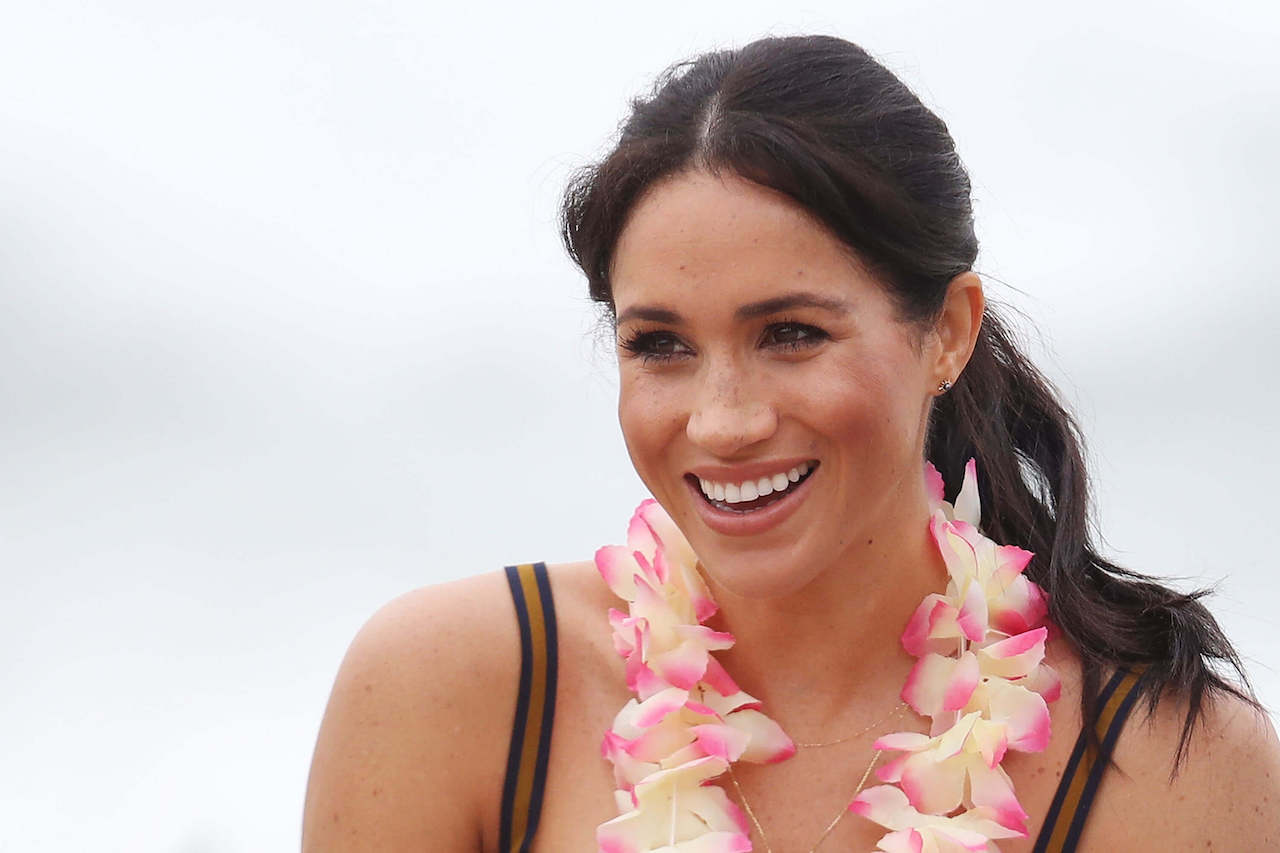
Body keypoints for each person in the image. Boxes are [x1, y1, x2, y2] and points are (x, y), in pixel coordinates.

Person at [301, 35, 1280, 851]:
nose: (723, 420)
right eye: (661, 345)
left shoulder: (1174, 769)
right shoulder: (450, 693)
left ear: (944, 330)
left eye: (791, 334)